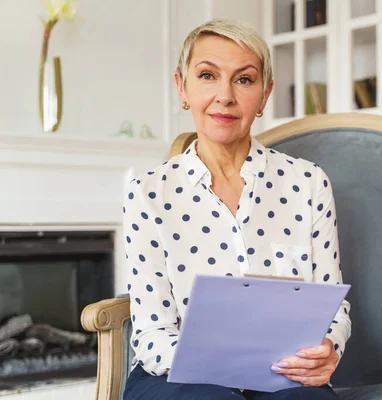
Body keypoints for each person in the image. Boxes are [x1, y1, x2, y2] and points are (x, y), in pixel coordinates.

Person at [121, 18, 351, 400]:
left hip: (281, 374)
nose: (225, 96)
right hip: (174, 373)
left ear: (264, 96)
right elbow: (152, 331)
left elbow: (332, 304)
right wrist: (219, 369)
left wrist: (330, 347)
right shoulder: (147, 193)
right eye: (208, 75)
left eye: (244, 80)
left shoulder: (309, 183)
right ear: (182, 88)